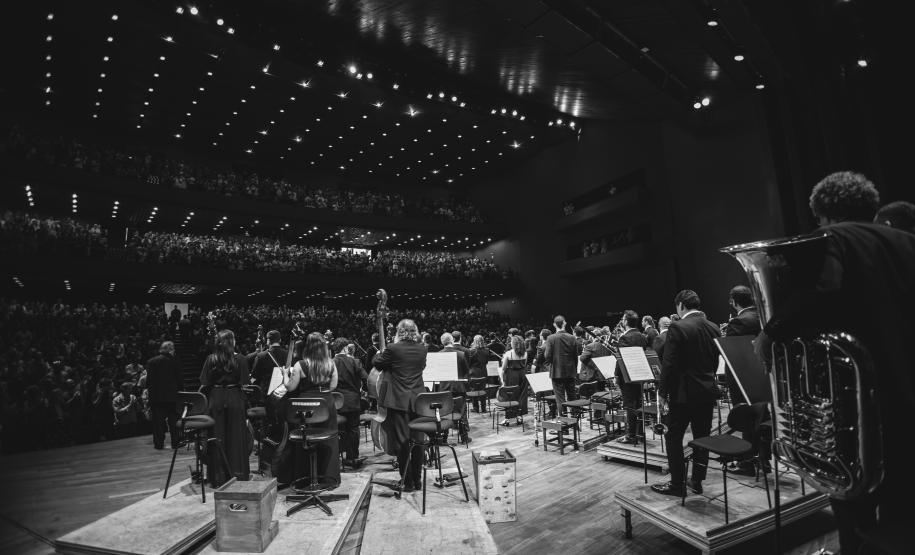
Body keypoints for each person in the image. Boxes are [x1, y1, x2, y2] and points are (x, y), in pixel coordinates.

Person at [754, 171, 915, 554]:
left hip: (869, 409)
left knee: (853, 500)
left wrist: (770, 333)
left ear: (823, 214)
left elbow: (820, 293)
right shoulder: (909, 242)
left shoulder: (834, 239)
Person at [651, 290, 721, 497]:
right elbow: (715, 361)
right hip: (707, 391)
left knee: (673, 436)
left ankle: (677, 484)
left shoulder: (678, 327)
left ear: (681, 305)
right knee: (702, 436)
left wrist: (662, 393)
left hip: (683, 393)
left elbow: (669, 364)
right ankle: (697, 481)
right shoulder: (713, 327)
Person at [373, 319, 427, 491]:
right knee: (418, 440)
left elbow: (378, 363)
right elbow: (422, 367)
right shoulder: (422, 349)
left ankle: (407, 482)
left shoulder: (393, 349)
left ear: (399, 332)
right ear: (415, 331)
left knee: (402, 443)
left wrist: (381, 352)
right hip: (418, 401)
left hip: (398, 402)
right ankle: (418, 481)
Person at [721, 285, 766, 475]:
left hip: (742, 376)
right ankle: (764, 460)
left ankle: (747, 463)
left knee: (747, 418)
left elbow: (730, 353)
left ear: (733, 301)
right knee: (763, 417)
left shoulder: (739, 322)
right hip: (764, 374)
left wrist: (725, 333)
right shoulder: (763, 317)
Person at [199, 329, 251, 485]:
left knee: (217, 437)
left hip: (216, 398)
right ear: (232, 342)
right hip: (235, 397)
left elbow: (204, 382)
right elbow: (245, 382)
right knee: (236, 437)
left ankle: (218, 477)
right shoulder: (240, 359)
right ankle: (238, 475)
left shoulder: (211, 359)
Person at [614, 310, 649, 445]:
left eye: (623, 319)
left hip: (627, 376)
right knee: (639, 404)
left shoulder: (624, 338)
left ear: (626, 321)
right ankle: (640, 434)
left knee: (629, 406)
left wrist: (616, 374)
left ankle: (630, 435)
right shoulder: (642, 336)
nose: (622, 321)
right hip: (639, 374)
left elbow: (620, 359)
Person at [332, 338, 368, 469]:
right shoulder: (355, 361)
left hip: (336, 402)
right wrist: (363, 390)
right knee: (353, 429)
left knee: (339, 429)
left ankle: (338, 456)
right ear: (346, 348)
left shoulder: (330, 363)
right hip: (353, 401)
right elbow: (366, 378)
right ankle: (352, 458)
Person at [146, 341, 182, 450]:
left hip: (157, 397)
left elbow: (149, 382)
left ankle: (158, 444)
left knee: (158, 423)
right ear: (170, 349)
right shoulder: (175, 361)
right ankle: (175, 443)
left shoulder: (151, 362)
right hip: (172, 397)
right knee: (173, 422)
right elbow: (179, 380)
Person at [543, 316, 580, 416]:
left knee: (560, 399)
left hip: (556, 372)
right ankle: (574, 421)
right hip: (570, 372)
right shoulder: (572, 337)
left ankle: (564, 426)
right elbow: (575, 357)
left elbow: (547, 356)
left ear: (554, 325)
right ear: (565, 323)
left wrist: (552, 364)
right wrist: (574, 369)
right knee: (572, 397)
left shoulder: (551, 338)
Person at [438, 332, 471, 443]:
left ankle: (443, 439)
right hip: (459, 387)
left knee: (445, 413)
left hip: (444, 388)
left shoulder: (439, 354)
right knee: (461, 412)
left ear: (442, 342)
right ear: (452, 340)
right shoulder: (460, 354)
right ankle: (464, 438)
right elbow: (467, 371)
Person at [498, 335, 529, 426]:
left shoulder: (509, 353)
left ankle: (507, 419)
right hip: (522, 375)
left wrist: (502, 378)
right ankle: (519, 417)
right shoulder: (525, 353)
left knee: (510, 396)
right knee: (521, 396)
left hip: (512, 375)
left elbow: (503, 368)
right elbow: (524, 364)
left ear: (514, 344)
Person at [467, 334, 495, 413]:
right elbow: (487, 361)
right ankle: (483, 408)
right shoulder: (487, 350)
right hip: (483, 372)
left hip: (473, 372)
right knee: (482, 389)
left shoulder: (471, 351)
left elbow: (469, 363)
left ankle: (476, 408)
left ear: (474, 341)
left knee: (474, 390)